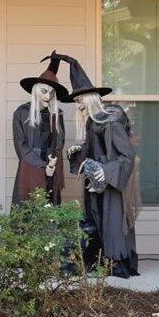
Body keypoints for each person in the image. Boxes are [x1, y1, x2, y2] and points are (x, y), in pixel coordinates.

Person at [60, 54, 141, 278]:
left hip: (111, 184)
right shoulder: (92, 122)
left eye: (79, 101)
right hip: (95, 184)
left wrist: (103, 171)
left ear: (90, 98)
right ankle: (101, 261)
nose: (77, 106)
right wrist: (77, 153)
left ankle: (117, 264)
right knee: (96, 219)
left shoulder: (112, 121)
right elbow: (90, 148)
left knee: (113, 221)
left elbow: (127, 157)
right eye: (76, 102)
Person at [12, 52, 69, 204]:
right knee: (28, 209)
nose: (47, 97)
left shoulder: (57, 114)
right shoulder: (21, 113)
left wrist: (51, 164)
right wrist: (42, 166)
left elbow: (59, 143)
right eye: (44, 91)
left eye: (51, 93)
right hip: (30, 167)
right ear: (36, 91)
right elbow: (21, 147)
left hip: (51, 167)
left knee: (50, 209)